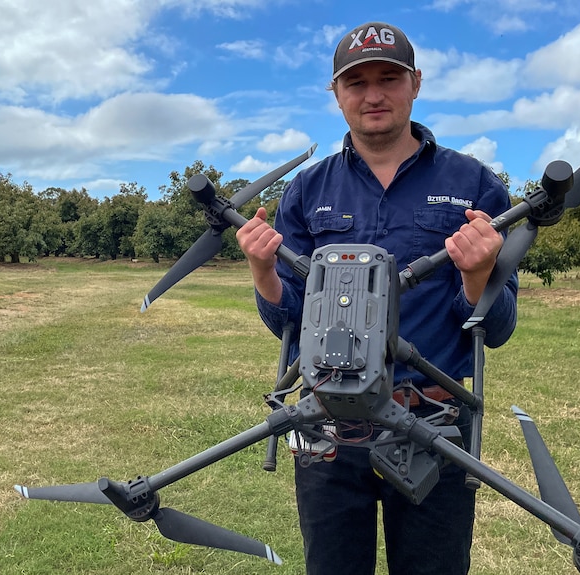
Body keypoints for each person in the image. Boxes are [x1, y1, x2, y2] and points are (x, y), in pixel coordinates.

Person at [236, 21, 518, 575]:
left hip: (434, 423)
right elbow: (291, 320)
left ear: (415, 83)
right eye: (355, 82)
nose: (372, 95)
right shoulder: (307, 190)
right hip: (327, 426)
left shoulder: (475, 183)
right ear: (336, 94)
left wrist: (480, 273)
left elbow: (498, 326)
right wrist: (263, 271)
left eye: (388, 78)